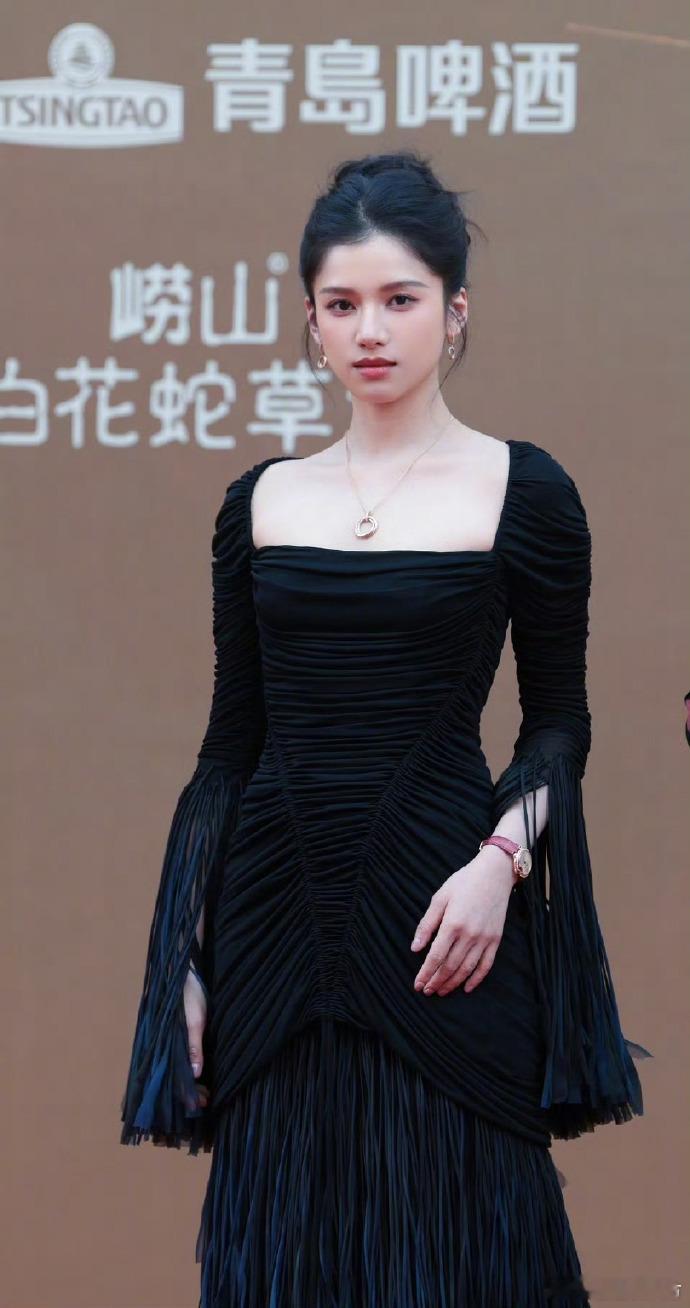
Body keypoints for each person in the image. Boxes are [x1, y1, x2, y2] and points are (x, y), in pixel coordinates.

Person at [120, 150, 651, 1307]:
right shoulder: (261, 502)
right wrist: (185, 965)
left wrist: (501, 864)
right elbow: (228, 750)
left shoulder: (524, 490)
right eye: (341, 303)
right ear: (312, 322)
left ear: (454, 312)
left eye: (399, 299)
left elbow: (558, 724)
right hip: (271, 928)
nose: (370, 330)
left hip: (446, 918)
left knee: (470, 1247)